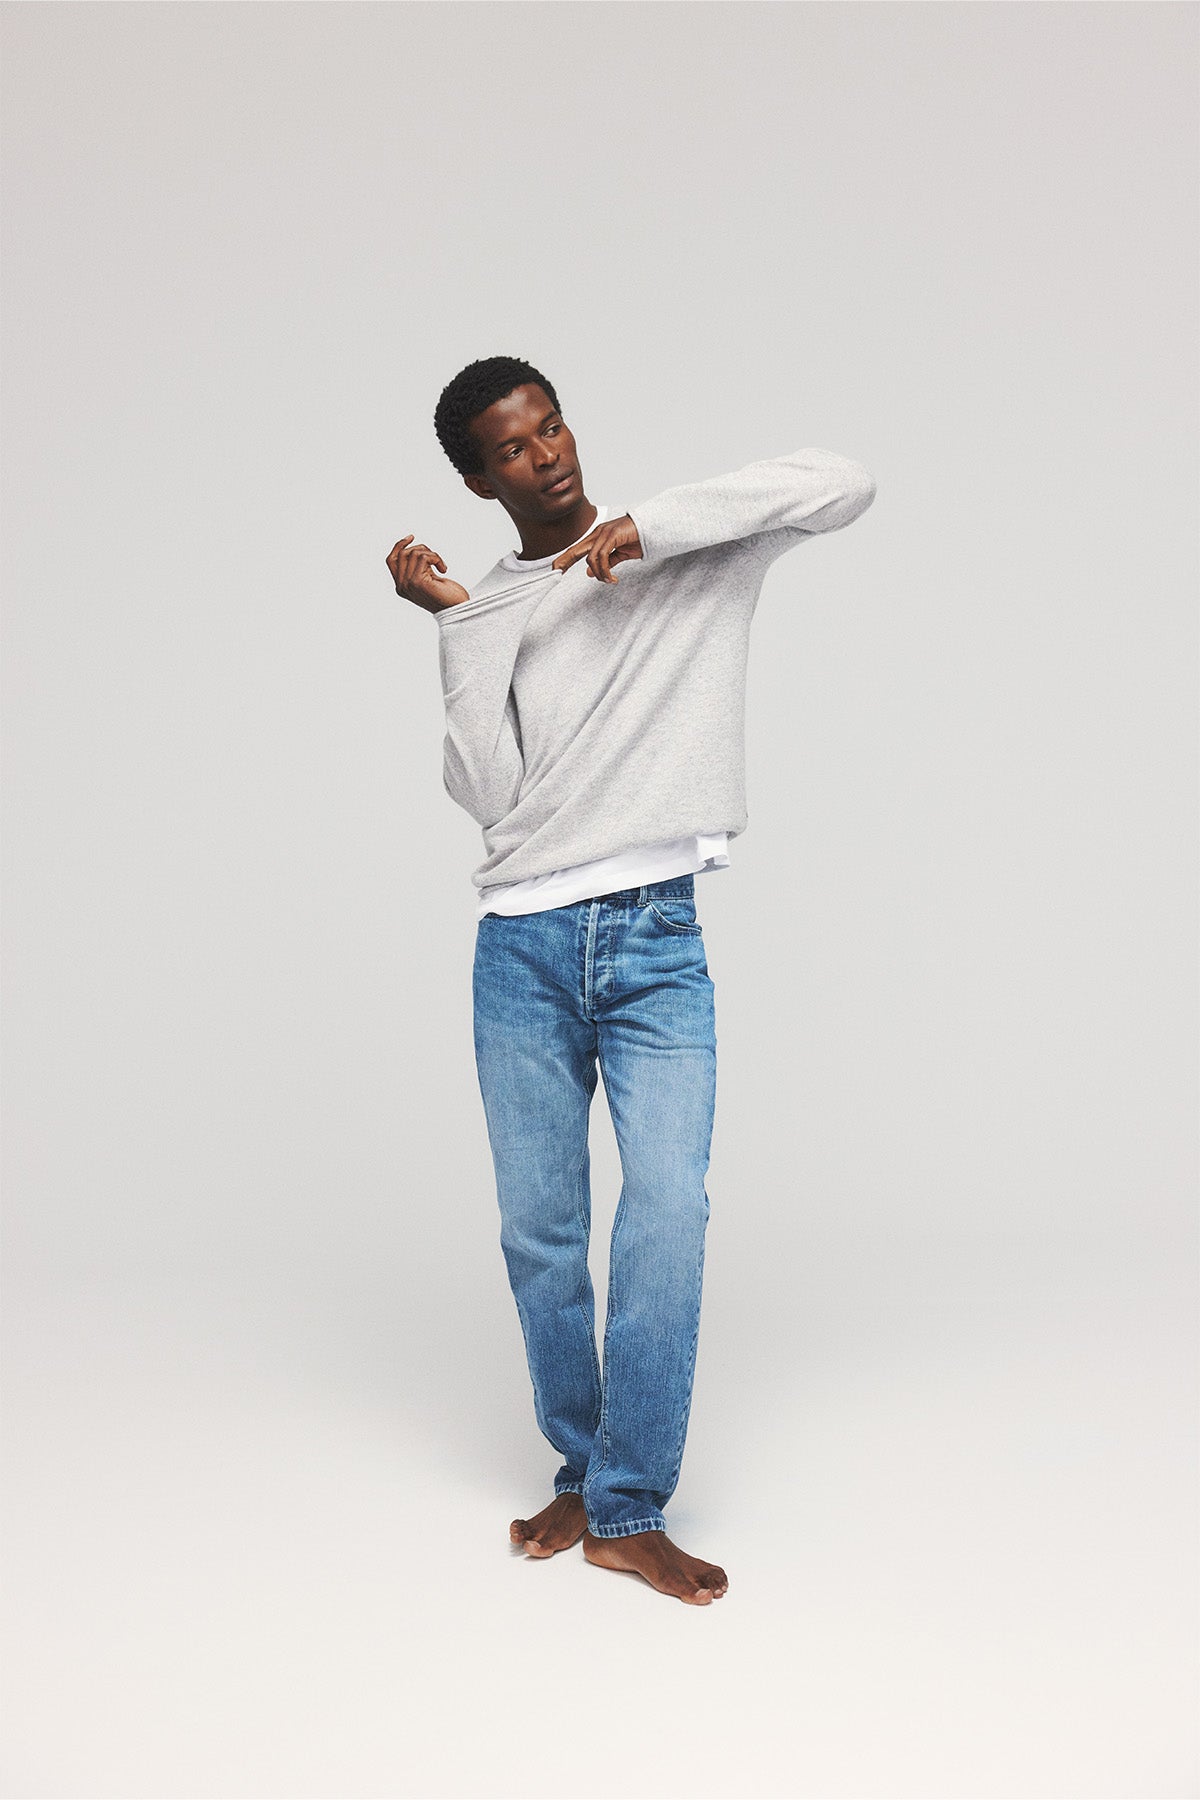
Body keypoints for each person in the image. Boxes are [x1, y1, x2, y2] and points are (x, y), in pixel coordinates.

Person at [385, 355, 875, 1604]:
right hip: (523, 949)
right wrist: (457, 622)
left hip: (656, 941)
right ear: (480, 479)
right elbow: (487, 790)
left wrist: (656, 525)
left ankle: (628, 1505)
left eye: (551, 427)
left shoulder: (686, 549)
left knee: (666, 1209)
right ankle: (584, 1471)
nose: (546, 455)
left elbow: (843, 481)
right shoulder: (498, 607)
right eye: (513, 448)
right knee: (541, 1232)